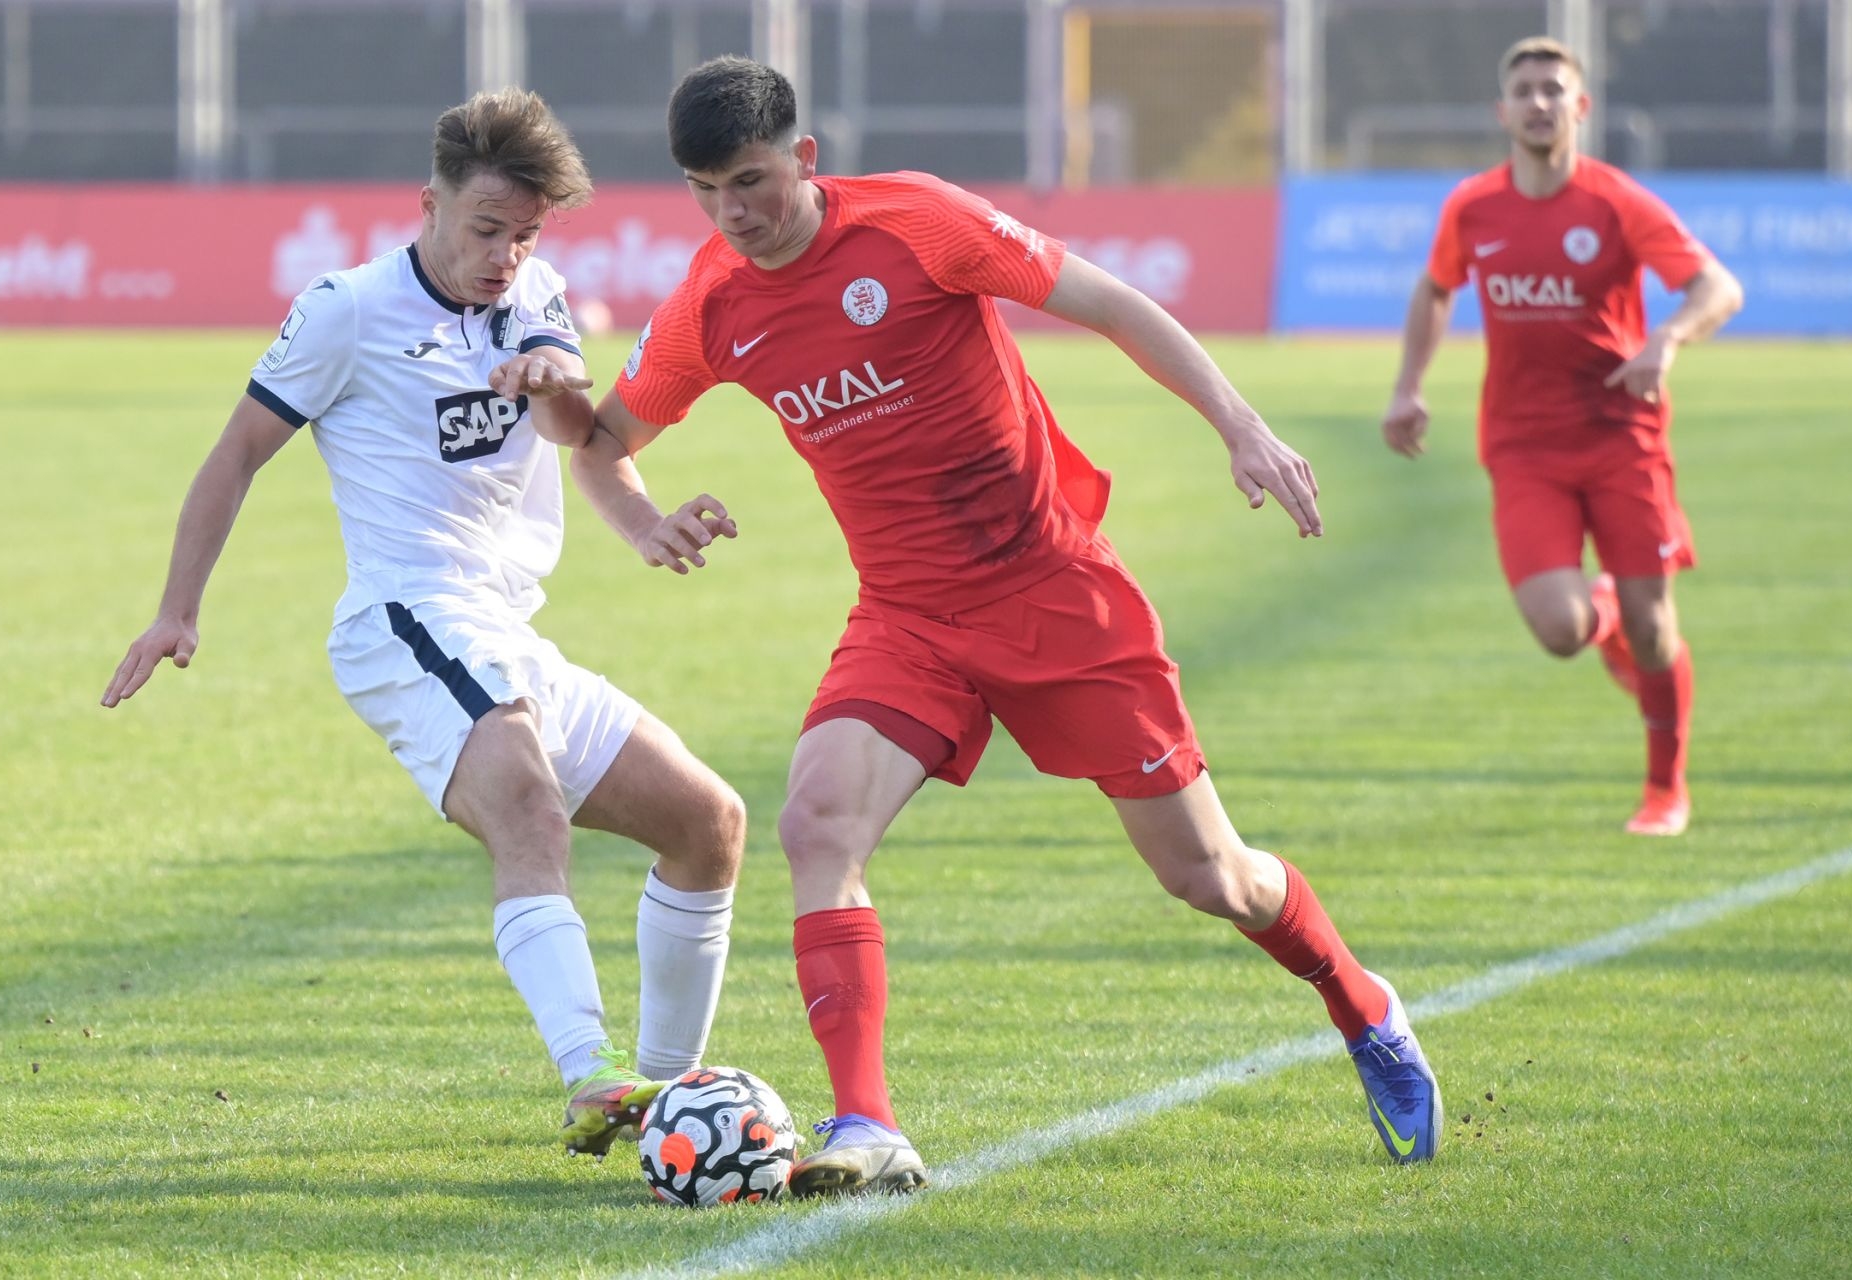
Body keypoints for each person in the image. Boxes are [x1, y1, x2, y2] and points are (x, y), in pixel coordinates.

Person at [520, 56, 1442, 1196]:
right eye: (707, 190)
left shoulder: (916, 224)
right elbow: (602, 444)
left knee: (1211, 875)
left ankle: (1362, 1004)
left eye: (751, 180)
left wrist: (1239, 425)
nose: (733, 213)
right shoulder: (712, 301)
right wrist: (643, 521)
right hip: (908, 616)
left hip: (1057, 590)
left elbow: (1108, 300)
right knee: (816, 822)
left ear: (804, 159)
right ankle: (868, 1123)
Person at [101, 88, 745, 1161]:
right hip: (404, 615)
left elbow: (576, 429)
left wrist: (634, 509)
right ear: (431, 201)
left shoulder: (536, 287)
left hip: (506, 628)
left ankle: (668, 1101)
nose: (505, 254)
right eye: (486, 227)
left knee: (709, 822)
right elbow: (235, 453)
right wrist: (178, 607)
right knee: (527, 804)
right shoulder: (346, 308)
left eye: (526, 233)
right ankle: (592, 1071)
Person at [1382, 36, 1743, 837]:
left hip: (1623, 438)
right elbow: (1437, 288)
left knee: (1656, 633)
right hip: (1524, 448)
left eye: (1554, 89)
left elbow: (1718, 286)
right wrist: (1408, 387)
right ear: (1502, 110)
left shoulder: (1617, 202)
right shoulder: (1473, 206)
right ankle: (1603, 610)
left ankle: (1665, 791)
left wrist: (1669, 339)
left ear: (1580, 107)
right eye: (1526, 89)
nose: (1540, 102)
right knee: (1561, 630)